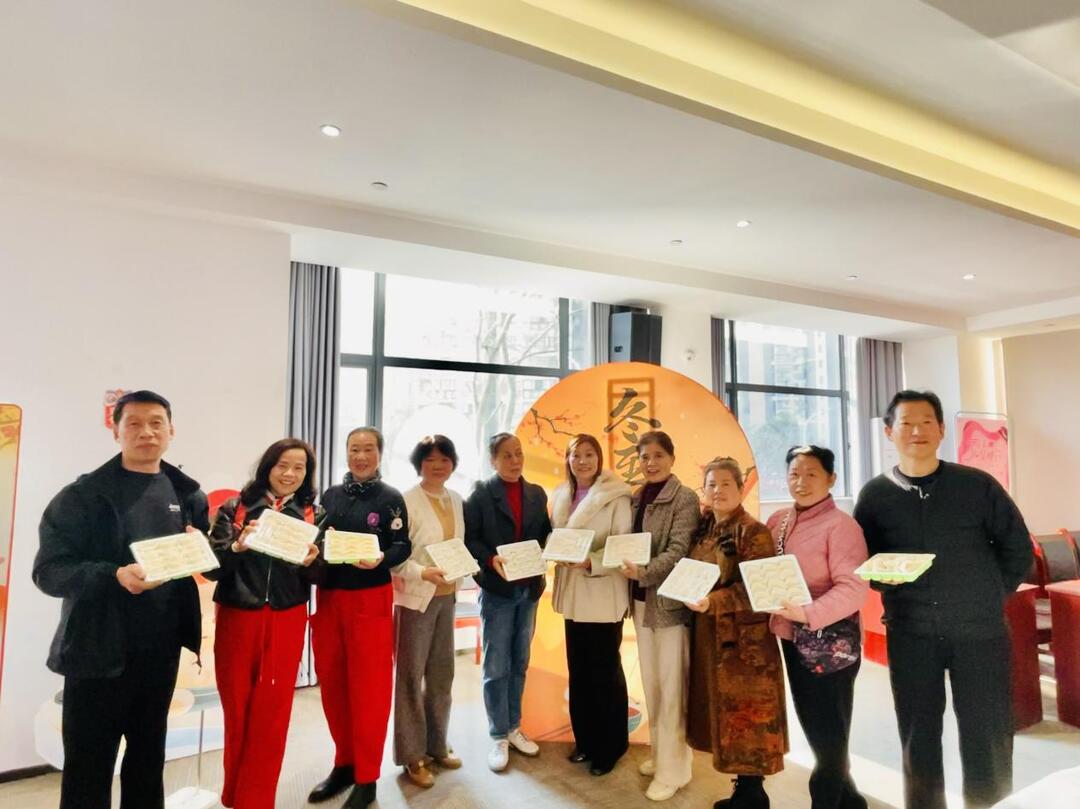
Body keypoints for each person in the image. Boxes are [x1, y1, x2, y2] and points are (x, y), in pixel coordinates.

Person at [853, 391, 1032, 809]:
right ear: (889, 432)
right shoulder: (875, 495)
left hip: (980, 632)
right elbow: (864, 559)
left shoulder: (976, 485)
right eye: (906, 423)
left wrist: (989, 596)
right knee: (918, 735)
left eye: (926, 422)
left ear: (941, 430)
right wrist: (882, 580)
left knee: (988, 732)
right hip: (911, 632)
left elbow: (1018, 549)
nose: (917, 430)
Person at [33, 390, 209, 809]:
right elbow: (49, 571)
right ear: (116, 432)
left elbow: (202, 558)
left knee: (148, 762)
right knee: (88, 767)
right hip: (96, 653)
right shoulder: (82, 496)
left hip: (160, 654)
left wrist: (204, 549)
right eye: (134, 423)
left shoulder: (188, 494)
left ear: (171, 430)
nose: (146, 432)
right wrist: (113, 575)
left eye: (156, 423)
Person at [205, 438, 321, 809]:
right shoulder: (236, 507)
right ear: (268, 467)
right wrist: (237, 547)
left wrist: (312, 563)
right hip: (238, 615)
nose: (289, 474)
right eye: (282, 465)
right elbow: (212, 567)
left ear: (306, 474)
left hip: (287, 617)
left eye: (299, 468)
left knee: (273, 712)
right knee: (236, 706)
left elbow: (322, 573)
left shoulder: (314, 514)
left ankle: (256, 800)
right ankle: (233, 794)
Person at [307, 427, 410, 809]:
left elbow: (403, 545)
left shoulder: (391, 498)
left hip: (370, 600)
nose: (361, 456)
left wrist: (382, 558)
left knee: (370, 692)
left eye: (368, 449)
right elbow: (315, 539)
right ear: (346, 453)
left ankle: (367, 777)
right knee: (333, 687)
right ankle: (344, 764)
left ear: (380, 453)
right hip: (330, 598)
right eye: (354, 449)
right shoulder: (330, 495)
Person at [768, 445, 869, 809]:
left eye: (812, 474)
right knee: (816, 726)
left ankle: (825, 800)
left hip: (830, 643)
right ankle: (850, 800)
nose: (802, 481)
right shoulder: (778, 520)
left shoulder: (841, 526)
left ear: (831, 479)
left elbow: (855, 587)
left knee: (829, 731)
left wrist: (808, 613)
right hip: (791, 637)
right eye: (794, 474)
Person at [687, 458, 788, 809]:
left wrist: (712, 602)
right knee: (725, 715)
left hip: (745, 645)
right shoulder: (706, 529)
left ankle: (753, 794)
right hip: (709, 634)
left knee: (748, 717)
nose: (718, 491)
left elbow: (758, 590)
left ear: (741, 488)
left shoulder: (753, 531)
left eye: (726, 484)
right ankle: (744, 791)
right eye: (711, 484)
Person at [620, 430, 700, 802]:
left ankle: (674, 771)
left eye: (658, 456)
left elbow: (679, 550)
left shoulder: (684, 498)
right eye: (644, 457)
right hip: (640, 602)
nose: (651, 463)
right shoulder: (637, 497)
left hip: (670, 607)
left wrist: (644, 572)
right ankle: (662, 755)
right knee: (652, 685)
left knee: (672, 690)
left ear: (671, 457)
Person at [464, 432, 551, 772]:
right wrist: (490, 560)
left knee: (520, 660)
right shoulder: (480, 495)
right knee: (496, 664)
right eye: (506, 455)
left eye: (518, 453)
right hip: (497, 591)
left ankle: (514, 726)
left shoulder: (536, 493)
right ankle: (498, 733)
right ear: (493, 460)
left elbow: (543, 535)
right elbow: (470, 539)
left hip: (528, 590)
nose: (515, 461)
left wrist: (554, 547)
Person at [550, 433, 633, 777]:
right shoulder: (560, 495)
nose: (582, 461)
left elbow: (624, 547)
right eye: (575, 455)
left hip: (602, 595)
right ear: (568, 460)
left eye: (589, 454)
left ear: (599, 459)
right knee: (580, 673)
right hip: (573, 596)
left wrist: (590, 562)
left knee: (605, 674)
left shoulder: (617, 497)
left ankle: (611, 746)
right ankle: (585, 741)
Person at [392, 435, 466, 787]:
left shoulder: (456, 499)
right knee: (410, 677)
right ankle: (412, 755)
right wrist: (422, 573)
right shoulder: (405, 501)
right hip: (416, 599)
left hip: (447, 597)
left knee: (441, 675)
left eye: (444, 460)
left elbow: (458, 546)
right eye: (430, 460)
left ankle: (437, 744)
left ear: (453, 464)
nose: (438, 466)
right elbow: (395, 557)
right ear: (419, 464)